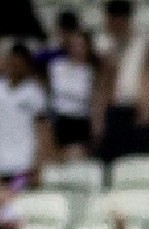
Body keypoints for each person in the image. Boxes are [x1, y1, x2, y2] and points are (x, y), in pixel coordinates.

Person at [94, 0, 149, 164]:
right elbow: (103, 86)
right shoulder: (106, 47)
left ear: (122, 20)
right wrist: (99, 119)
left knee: (143, 164)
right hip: (115, 113)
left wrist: (147, 109)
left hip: (138, 111)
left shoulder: (147, 44)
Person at [0, 43, 51, 186]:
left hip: (23, 167)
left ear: (26, 65)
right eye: (12, 62)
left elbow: (43, 131)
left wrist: (40, 165)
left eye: (20, 63)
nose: (15, 67)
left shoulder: (34, 92)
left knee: (19, 203)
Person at [47, 29, 99, 160]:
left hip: (81, 120)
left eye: (81, 45)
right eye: (74, 45)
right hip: (59, 119)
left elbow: (88, 97)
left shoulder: (92, 71)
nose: (77, 49)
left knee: (76, 156)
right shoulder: (56, 66)